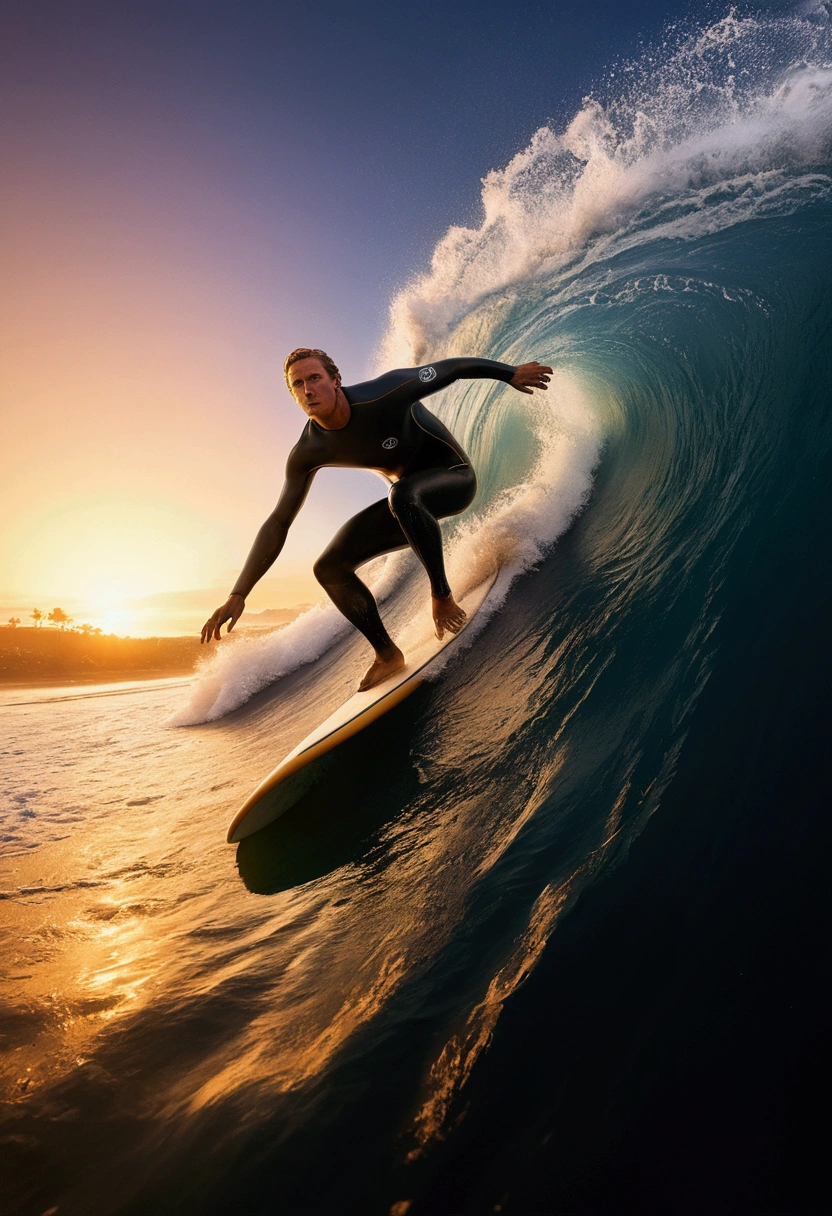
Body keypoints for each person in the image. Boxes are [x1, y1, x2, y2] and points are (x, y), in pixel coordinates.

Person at [201, 348, 552, 690]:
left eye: (315, 378)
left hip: (454, 478)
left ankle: (442, 596)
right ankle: (387, 654)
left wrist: (510, 373)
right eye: (297, 384)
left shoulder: (383, 393)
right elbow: (279, 522)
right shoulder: (308, 450)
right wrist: (239, 592)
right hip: (407, 501)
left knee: (401, 494)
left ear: (336, 380)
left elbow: (450, 369)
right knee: (329, 568)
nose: (307, 389)